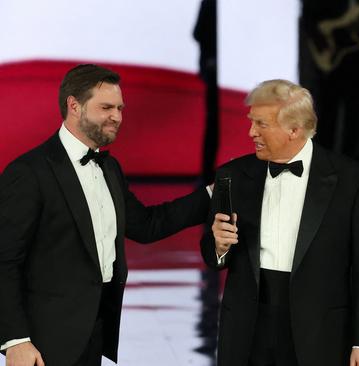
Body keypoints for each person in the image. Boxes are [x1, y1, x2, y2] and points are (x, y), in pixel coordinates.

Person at [0, 64, 211, 366]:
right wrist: (15, 341)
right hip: (44, 343)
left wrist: (211, 196)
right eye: (107, 107)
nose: (117, 116)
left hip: (93, 333)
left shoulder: (110, 168)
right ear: (74, 105)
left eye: (120, 108)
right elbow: (4, 260)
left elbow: (147, 225)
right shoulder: (29, 172)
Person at [200, 79, 359, 366]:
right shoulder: (233, 175)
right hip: (248, 330)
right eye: (251, 122)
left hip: (321, 332)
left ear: (294, 129)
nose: (251, 132)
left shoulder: (350, 179)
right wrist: (218, 246)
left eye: (261, 124)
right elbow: (213, 253)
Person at [299, 0, 359, 167]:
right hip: (327, 50)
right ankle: (322, 165)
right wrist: (323, 36)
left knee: (355, 113)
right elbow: (309, 12)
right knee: (326, 113)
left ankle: (352, 165)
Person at [193, 0, 219, 185]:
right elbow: (199, 32)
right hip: (214, 70)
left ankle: (207, 174)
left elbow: (198, 32)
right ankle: (206, 174)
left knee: (213, 123)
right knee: (213, 123)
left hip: (215, 70)